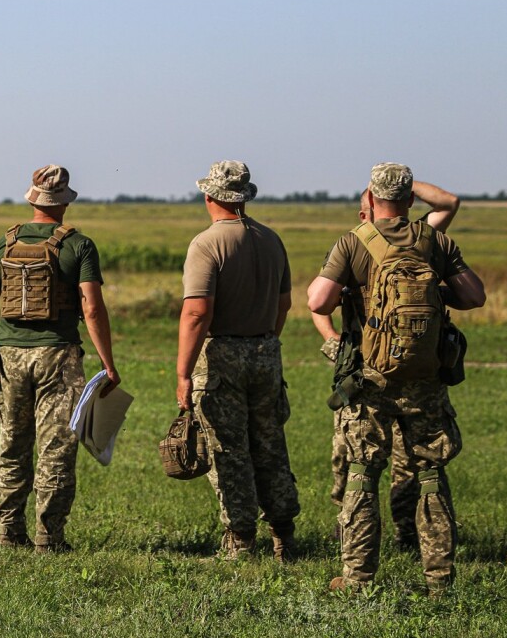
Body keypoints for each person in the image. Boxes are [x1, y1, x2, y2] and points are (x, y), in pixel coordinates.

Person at [307, 163, 485, 594]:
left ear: (370, 197)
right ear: (410, 200)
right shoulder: (436, 241)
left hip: (370, 381)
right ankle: (439, 581)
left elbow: (317, 300)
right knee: (430, 476)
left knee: (363, 475)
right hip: (426, 381)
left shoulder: (354, 243)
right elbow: (474, 296)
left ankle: (357, 580)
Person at [0, 165, 120, 553]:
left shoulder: (1, 244)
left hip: (10, 356)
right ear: (65, 203)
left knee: (12, 443)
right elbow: (92, 308)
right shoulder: (79, 246)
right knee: (56, 448)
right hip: (60, 357)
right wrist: (108, 363)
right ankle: (49, 537)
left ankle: (8, 532)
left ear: (32, 198)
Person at [176, 161, 300, 562]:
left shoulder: (206, 243)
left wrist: (183, 373)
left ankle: (240, 541)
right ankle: (284, 537)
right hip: (266, 352)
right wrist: (266, 340)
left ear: (209, 196)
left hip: (222, 358)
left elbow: (197, 312)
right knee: (270, 445)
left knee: (228, 449)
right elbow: (284, 304)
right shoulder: (271, 239)